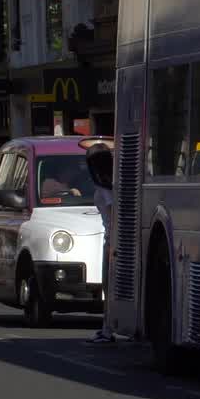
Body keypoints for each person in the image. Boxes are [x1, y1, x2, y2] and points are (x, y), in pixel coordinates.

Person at [87, 147, 118, 344]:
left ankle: (107, 329)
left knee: (108, 283)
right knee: (109, 284)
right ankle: (107, 327)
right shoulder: (113, 183)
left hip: (111, 240)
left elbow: (113, 212)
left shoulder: (104, 187)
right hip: (112, 238)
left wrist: (112, 245)